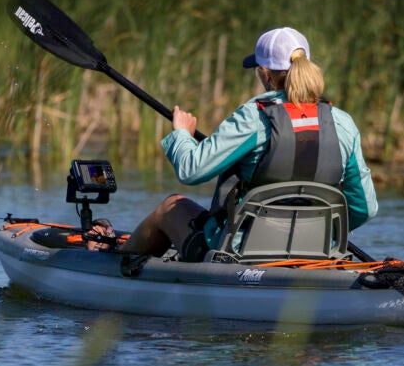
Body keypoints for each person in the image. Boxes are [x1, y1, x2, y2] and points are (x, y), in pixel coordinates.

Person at [95, 27, 377, 260]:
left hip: (240, 252)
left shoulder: (254, 117)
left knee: (171, 206)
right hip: (317, 253)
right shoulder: (342, 123)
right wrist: (318, 233)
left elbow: (191, 170)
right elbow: (365, 207)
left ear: (265, 73)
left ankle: (115, 270)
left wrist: (181, 132)